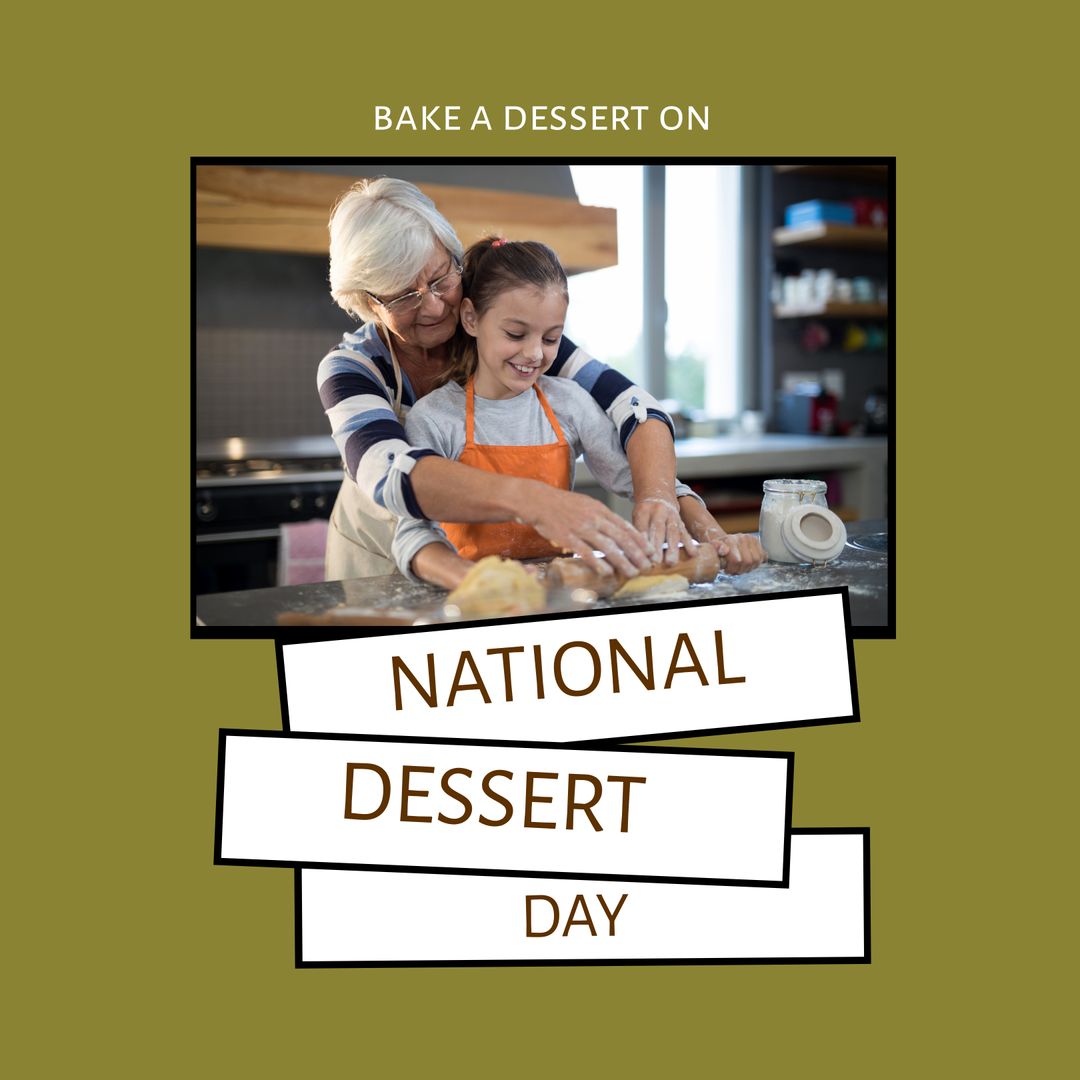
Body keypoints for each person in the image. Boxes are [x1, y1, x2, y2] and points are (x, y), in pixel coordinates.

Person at [318, 177, 737, 584]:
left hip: (507, 578)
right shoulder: (353, 369)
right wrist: (533, 501)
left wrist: (663, 497)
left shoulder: (509, 338)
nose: (433, 305)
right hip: (374, 566)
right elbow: (390, 474)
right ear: (367, 302)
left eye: (440, 278)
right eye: (404, 296)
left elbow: (634, 406)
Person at [392, 238, 765, 588]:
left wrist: (715, 536)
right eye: (516, 334)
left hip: (560, 591)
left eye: (551, 338)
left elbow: (643, 484)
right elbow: (413, 533)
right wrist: (472, 581)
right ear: (471, 318)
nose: (535, 354)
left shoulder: (568, 404)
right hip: (470, 601)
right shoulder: (435, 417)